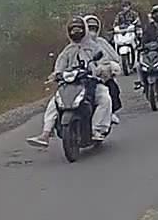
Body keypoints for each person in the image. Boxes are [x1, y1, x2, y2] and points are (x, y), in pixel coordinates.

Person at [26, 15, 115, 148]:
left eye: (79, 29)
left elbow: (105, 62)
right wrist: (55, 75)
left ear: (84, 30)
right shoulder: (67, 51)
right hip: (70, 84)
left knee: (104, 98)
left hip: (91, 83)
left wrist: (101, 69)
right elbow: (59, 67)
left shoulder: (94, 47)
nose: (76, 32)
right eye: (73, 29)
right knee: (54, 103)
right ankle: (45, 134)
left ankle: (97, 129)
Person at [83, 13, 122, 124]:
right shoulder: (77, 44)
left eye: (94, 28)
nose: (91, 31)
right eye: (89, 28)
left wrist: (107, 66)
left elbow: (114, 57)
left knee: (112, 89)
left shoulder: (102, 42)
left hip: (102, 76)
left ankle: (110, 113)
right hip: (82, 77)